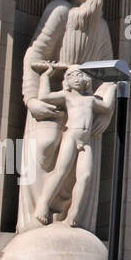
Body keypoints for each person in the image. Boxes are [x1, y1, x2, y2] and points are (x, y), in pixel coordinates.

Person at [17, 0, 115, 233]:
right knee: (48, 145)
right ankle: (39, 215)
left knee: (82, 173)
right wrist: (31, 99)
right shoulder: (60, 11)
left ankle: (72, 220)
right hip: (54, 101)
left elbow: (109, 74)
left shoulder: (103, 26)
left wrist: (107, 112)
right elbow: (33, 56)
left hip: (85, 109)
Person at [32, 66, 114, 227]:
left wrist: (112, 86)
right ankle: (43, 204)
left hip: (86, 141)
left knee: (85, 177)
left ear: (86, 79)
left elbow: (107, 107)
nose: (76, 78)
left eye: (79, 75)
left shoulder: (90, 100)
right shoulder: (67, 96)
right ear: (67, 81)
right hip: (71, 136)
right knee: (61, 171)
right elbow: (44, 96)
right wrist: (46, 76)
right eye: (71, 75)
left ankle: (74, 213)